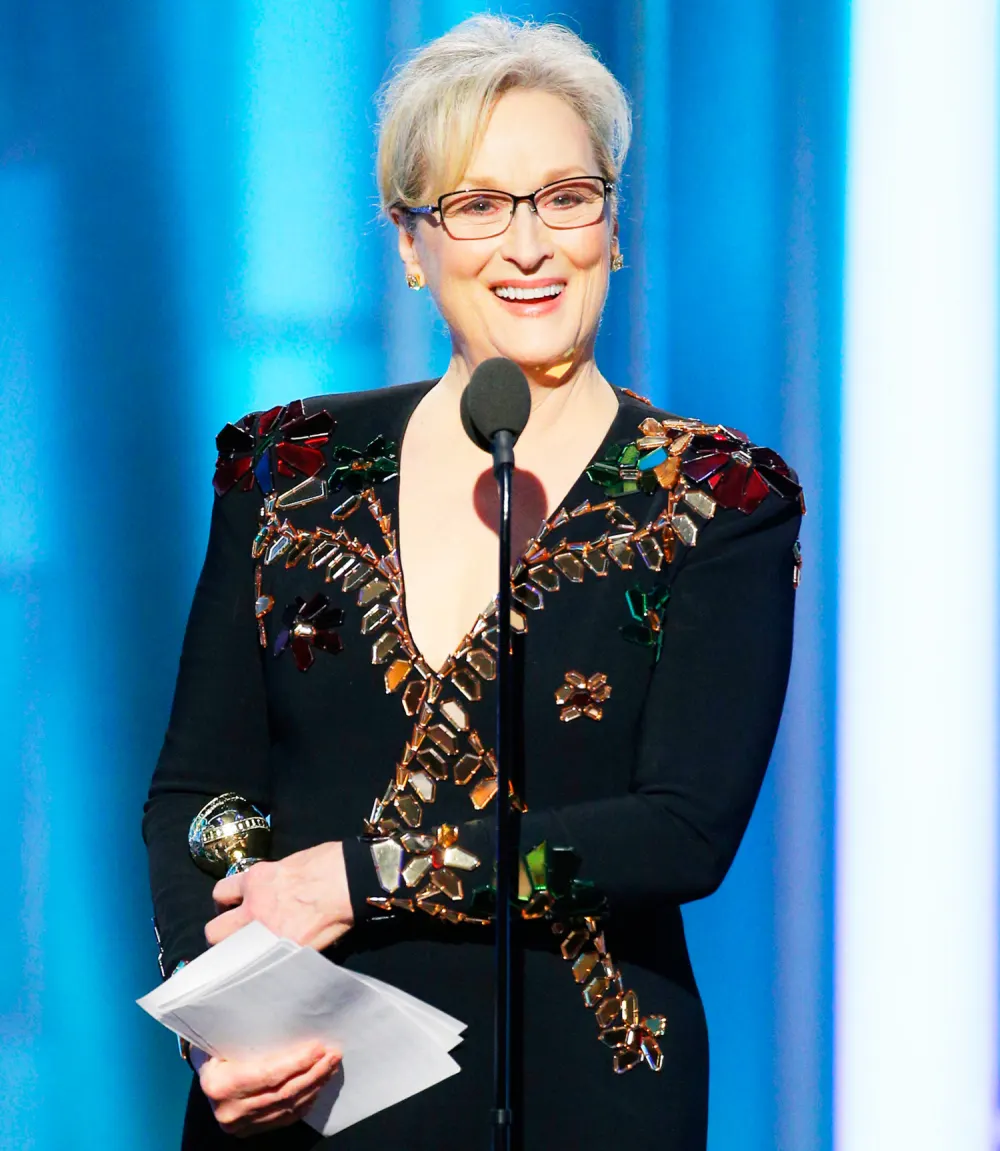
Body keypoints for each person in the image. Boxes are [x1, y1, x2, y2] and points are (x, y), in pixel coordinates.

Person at [143, 14, 804, 1150]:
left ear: (613, 225)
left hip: (576, 1090)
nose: (528, 245)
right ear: (411, 241)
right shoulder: (287, 470)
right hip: (301, 1092)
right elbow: (205, 795)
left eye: (565, 196)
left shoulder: (716, 496)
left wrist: (366, 874)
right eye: (477, 206)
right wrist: (229, 1027)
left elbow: (677, 831)